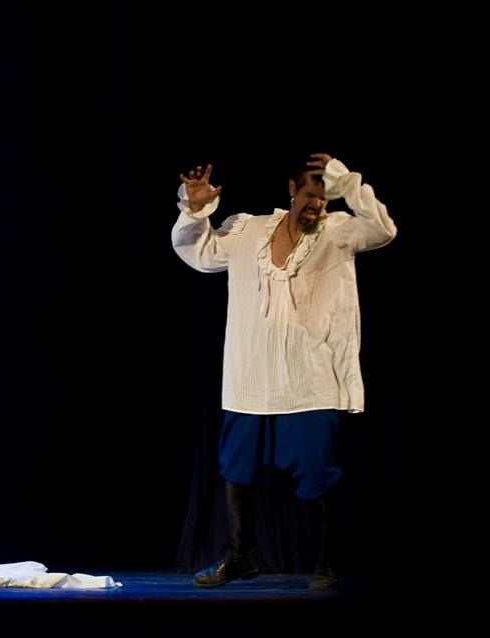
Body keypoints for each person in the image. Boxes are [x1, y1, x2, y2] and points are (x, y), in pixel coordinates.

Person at [171, 153, 396, 590]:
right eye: (311, 194)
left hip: (310, 377)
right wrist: (195, 210)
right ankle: (242, 557)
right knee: (236, 468)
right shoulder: (248, 229)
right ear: (292, 190)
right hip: (249, 374)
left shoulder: (338, 232)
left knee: (316, 470)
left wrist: (345, 181)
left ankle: (327, 563)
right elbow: (199, 253)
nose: (317, 204)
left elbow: (383, 229)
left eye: (325, 198)